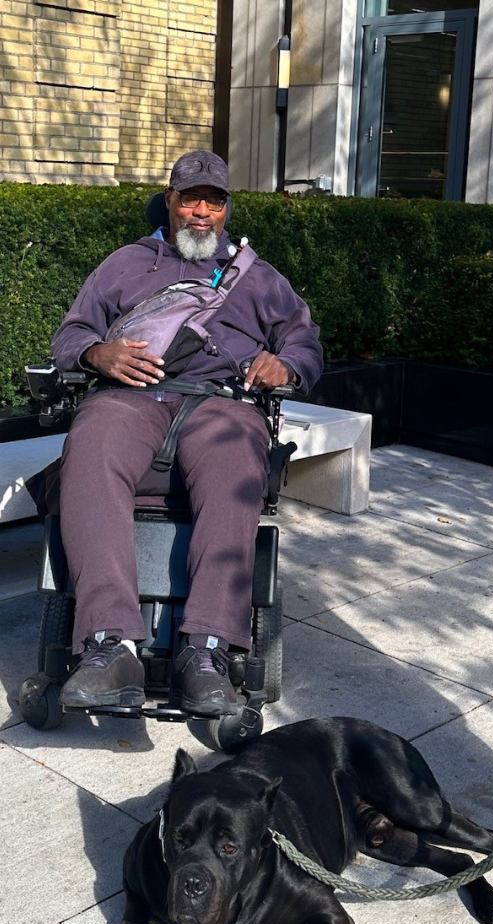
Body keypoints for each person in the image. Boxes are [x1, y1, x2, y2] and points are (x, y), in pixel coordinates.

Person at [49, 149, 323, 715]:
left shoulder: (258, 277)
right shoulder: (124, 264)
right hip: (131, 397)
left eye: (214, 201)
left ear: (225, 209)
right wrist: (98, 353)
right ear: (169, 201)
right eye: (190, 198)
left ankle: (206, 651)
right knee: (89, 443)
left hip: (221, 404)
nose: (202, 211)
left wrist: (286, 365)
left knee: (234, 465)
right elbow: (71, 334)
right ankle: (109, 645)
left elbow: (304, 339)